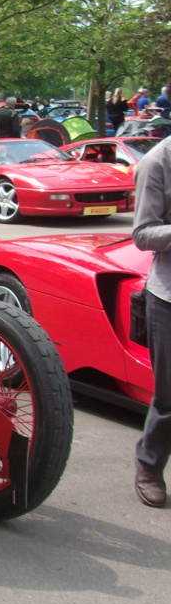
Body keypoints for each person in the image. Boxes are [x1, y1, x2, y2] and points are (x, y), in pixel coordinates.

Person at [130, 132, 171, 507]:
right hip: (168, 297)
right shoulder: (158, 162)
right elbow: (142, 234)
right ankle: (149, 465)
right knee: (170, 396)